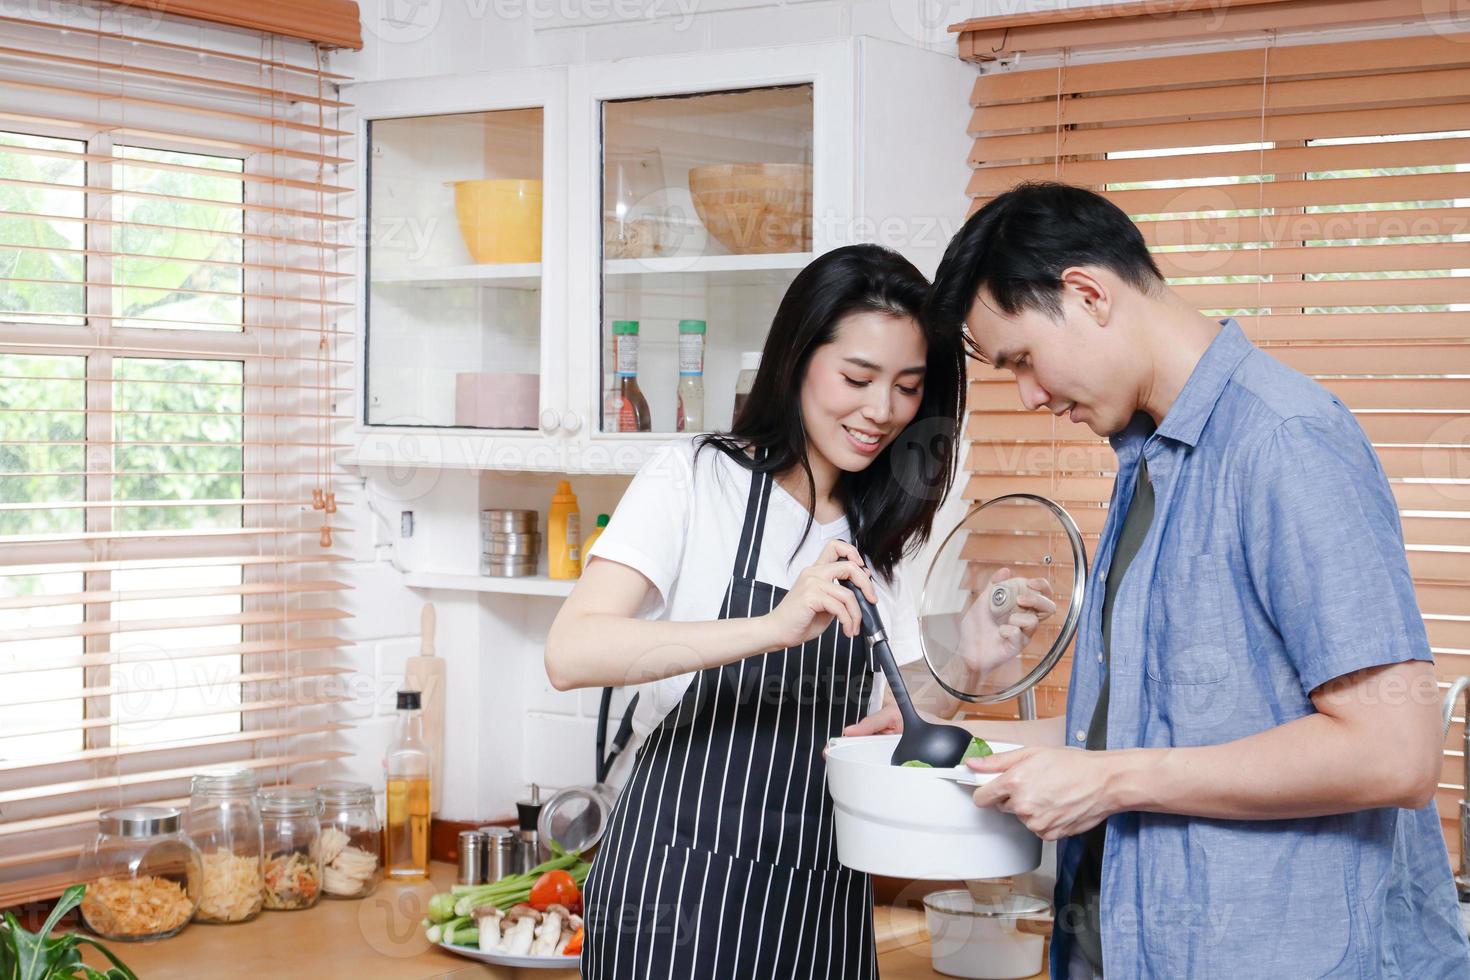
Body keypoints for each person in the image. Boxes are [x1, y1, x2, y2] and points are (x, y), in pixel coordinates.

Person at [847, 181, 1470, 977]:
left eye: (1024, 360)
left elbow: (1397, 754)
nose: (1030, 395)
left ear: (1087, 293)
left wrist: (1108, 781)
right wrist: (956, 745)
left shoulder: (1285, 444)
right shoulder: (1150, 465)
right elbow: (1158, 728)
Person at [544, 243, 1052, 979]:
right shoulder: (696, 480)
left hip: (823, 899)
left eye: (909, 388)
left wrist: (965, 661)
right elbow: (571, 652)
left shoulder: (882, 532)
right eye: (857, 377)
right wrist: (773, 627)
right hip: (678, 891)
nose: (881, 411)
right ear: (798, 358)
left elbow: (889, 725)